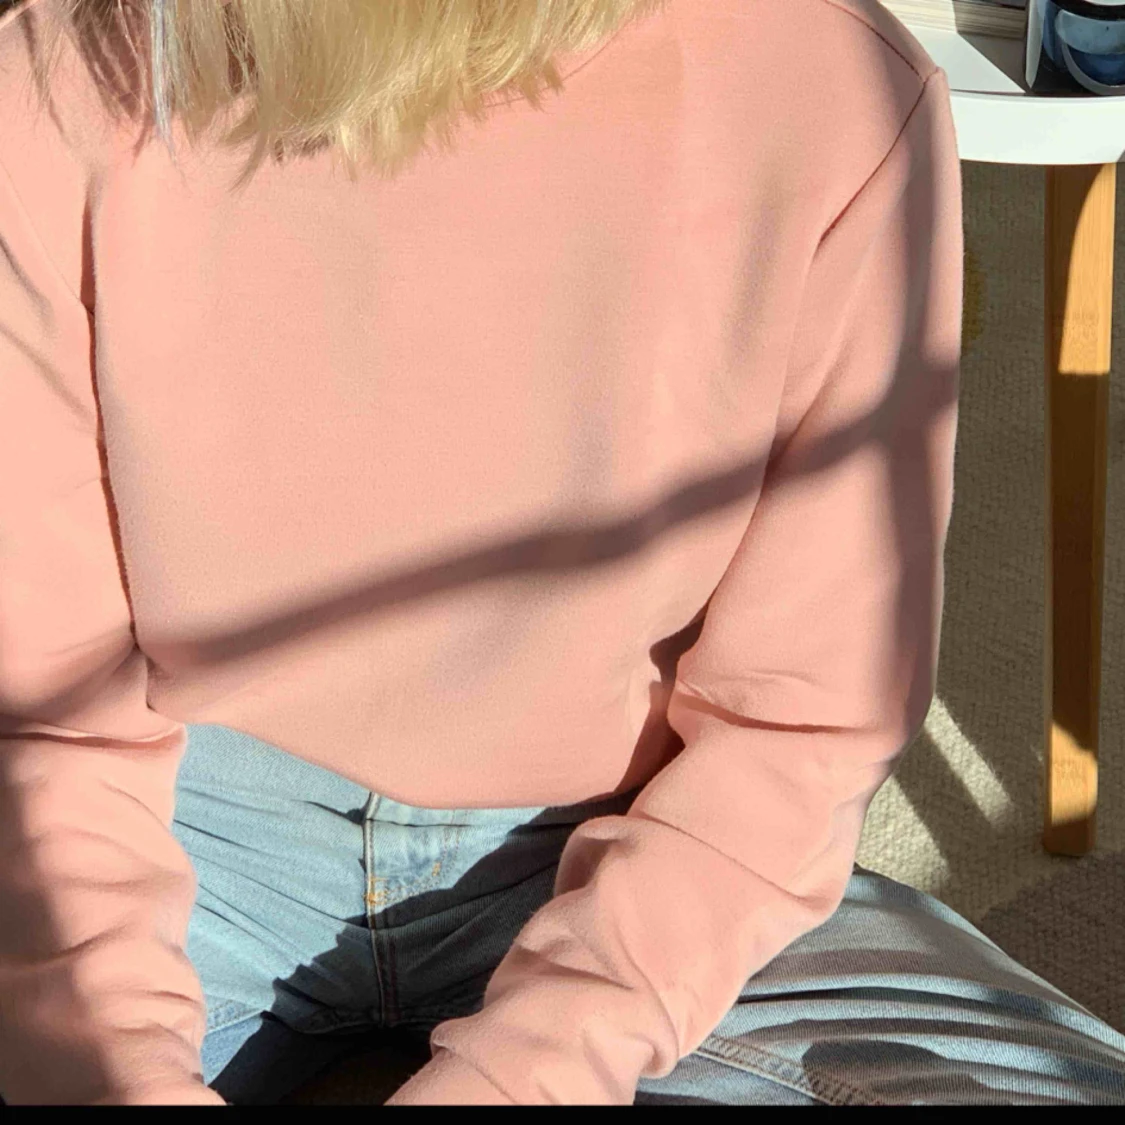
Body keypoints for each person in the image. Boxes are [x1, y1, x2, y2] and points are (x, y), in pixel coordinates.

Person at [0, 0, 1123, 1107]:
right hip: (175, 826)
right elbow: (44, 724)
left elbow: (799, 725)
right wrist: (109, 1058)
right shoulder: (64, 76)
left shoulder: (829, 81)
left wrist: (541, 1064)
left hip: (634, 839)